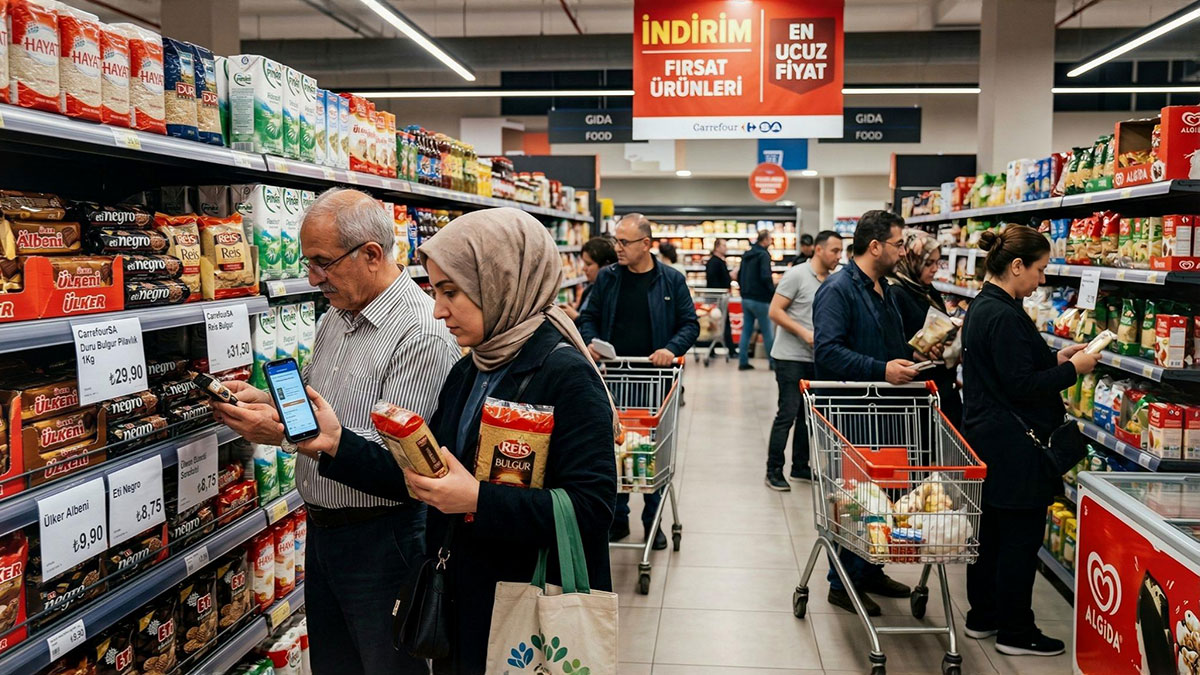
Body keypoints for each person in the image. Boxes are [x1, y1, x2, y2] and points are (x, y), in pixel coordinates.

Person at [298, 207, 618, 673]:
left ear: (503, 283)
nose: (438, 309)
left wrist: (477, 499)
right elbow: (422, 478)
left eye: (451, 292)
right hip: (462, 599)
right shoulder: (472, 369)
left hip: (524, 599)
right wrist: (335, 443)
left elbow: (592, 508)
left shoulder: (564, 375)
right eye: (435, 291)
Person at [212, 188, 460, 675]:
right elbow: (322, 412)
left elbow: (409, 473)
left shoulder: (420, 333)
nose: (312, 277)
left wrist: (287, 436)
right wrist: (274, 410)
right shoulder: (335, 317)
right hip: (323, 533)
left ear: (371, 254)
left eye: (323, 263)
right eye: (309, 263)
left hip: (384, 541)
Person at [961, 226, 1100, 657]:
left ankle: (983, 617)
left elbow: (1009, 368)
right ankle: (1016, 633)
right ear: (1016, 266)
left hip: (990, 437)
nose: (1042, 279)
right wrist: (1074, 371)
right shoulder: (1003, 314)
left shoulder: (987, 306)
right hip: (1015, 445)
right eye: (1039, 270)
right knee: (1020, 539)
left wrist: (1053, 358)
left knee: (991, 535)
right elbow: (1021, 384)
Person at [812, 209, 919, 616]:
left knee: (885, 497)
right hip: (853, 414)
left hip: (887, 413)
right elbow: (827, 351)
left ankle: (871, 568)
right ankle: (843, 582)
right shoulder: (838, 290)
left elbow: (885, 344)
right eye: (898, 243)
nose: (903, 250)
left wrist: (912, 356)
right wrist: (882, 370)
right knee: (856, 500)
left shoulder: (884, 288)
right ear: (874, 246)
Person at [578, 212, 699, 549]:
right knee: (614, 449)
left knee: (652, 452)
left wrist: (670, 349)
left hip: (655, 379)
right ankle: (617, 519)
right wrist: (592, 342)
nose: (618, 248)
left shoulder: (671, 280)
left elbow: (690, 324)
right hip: (613, 377)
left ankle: (652, 523)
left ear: (646, 244)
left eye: (625, 242)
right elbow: (589, 317)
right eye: (617, 240)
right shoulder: (607, 279)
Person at [764, 230, 843, 491]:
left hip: (816, 358)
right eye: (834, 250)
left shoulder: (832, 281)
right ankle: (773, 470)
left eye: (841, 251)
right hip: (789, 357)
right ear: (819, 250)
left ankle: (800, 466)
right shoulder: (797, 275)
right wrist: (804, 333)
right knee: (787, 413)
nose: (838, 256)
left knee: (806, 415)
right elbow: (774, 312)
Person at [887, 228, 963, 428]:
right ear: (911, 260)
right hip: (916, 393)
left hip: (941, 387)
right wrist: (918, 351)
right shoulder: (896, 292)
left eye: (938, 262)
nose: (935, 268)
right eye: (928, 263)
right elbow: (893, 340)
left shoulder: (928, 291)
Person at [738, 229, 776, 371]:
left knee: (746, 331)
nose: (771, 242)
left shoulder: (746, 254)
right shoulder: (763, 255)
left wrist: (743, 291)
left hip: (746, 298)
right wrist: (772, 292)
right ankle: (773, 362)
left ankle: (743, 361)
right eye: (770, 239)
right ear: (764, 239)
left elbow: (740, 274)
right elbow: (766, 276)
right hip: (760, 299)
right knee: (767, 331)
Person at [561, 236, 617, 322]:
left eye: (588, 264)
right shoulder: (590, 289)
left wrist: (576, 317)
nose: (584, 268)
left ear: (605, 265)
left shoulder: (613, 294)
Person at [705, 239, 736, 356]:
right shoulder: (716, 262)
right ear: (717, 247)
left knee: (715, 323)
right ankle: (731, 350)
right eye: (723, 245)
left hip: (716, 297)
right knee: (722, 323)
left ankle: (712, 349)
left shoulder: (714, 262)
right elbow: (717, 280)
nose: (726, 248)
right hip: (717, 298)